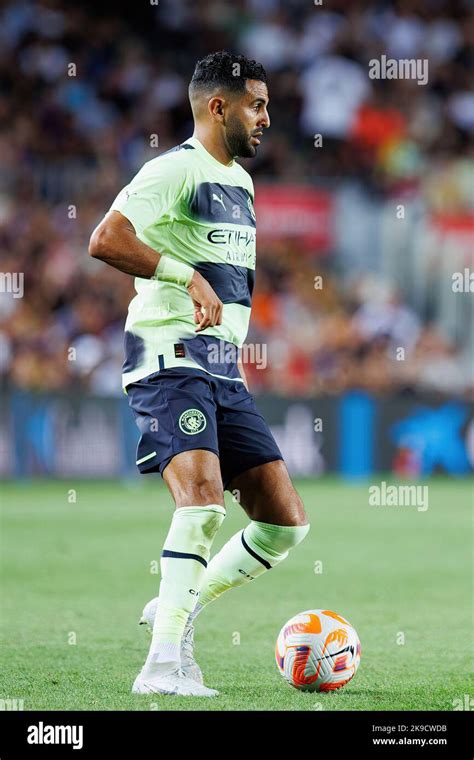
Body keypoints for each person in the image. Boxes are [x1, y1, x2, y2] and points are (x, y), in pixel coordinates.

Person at [89, 50, 310, 697]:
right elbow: (106, 238)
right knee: (204, 505)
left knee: (284, 523)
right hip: (169, 358)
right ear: (219, 107)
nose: (267, 117)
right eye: (257, 104)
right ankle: (162, 667)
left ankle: (176, 606)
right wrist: (181, 273)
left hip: (223, 371)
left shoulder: (240, 183)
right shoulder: (175, 169)